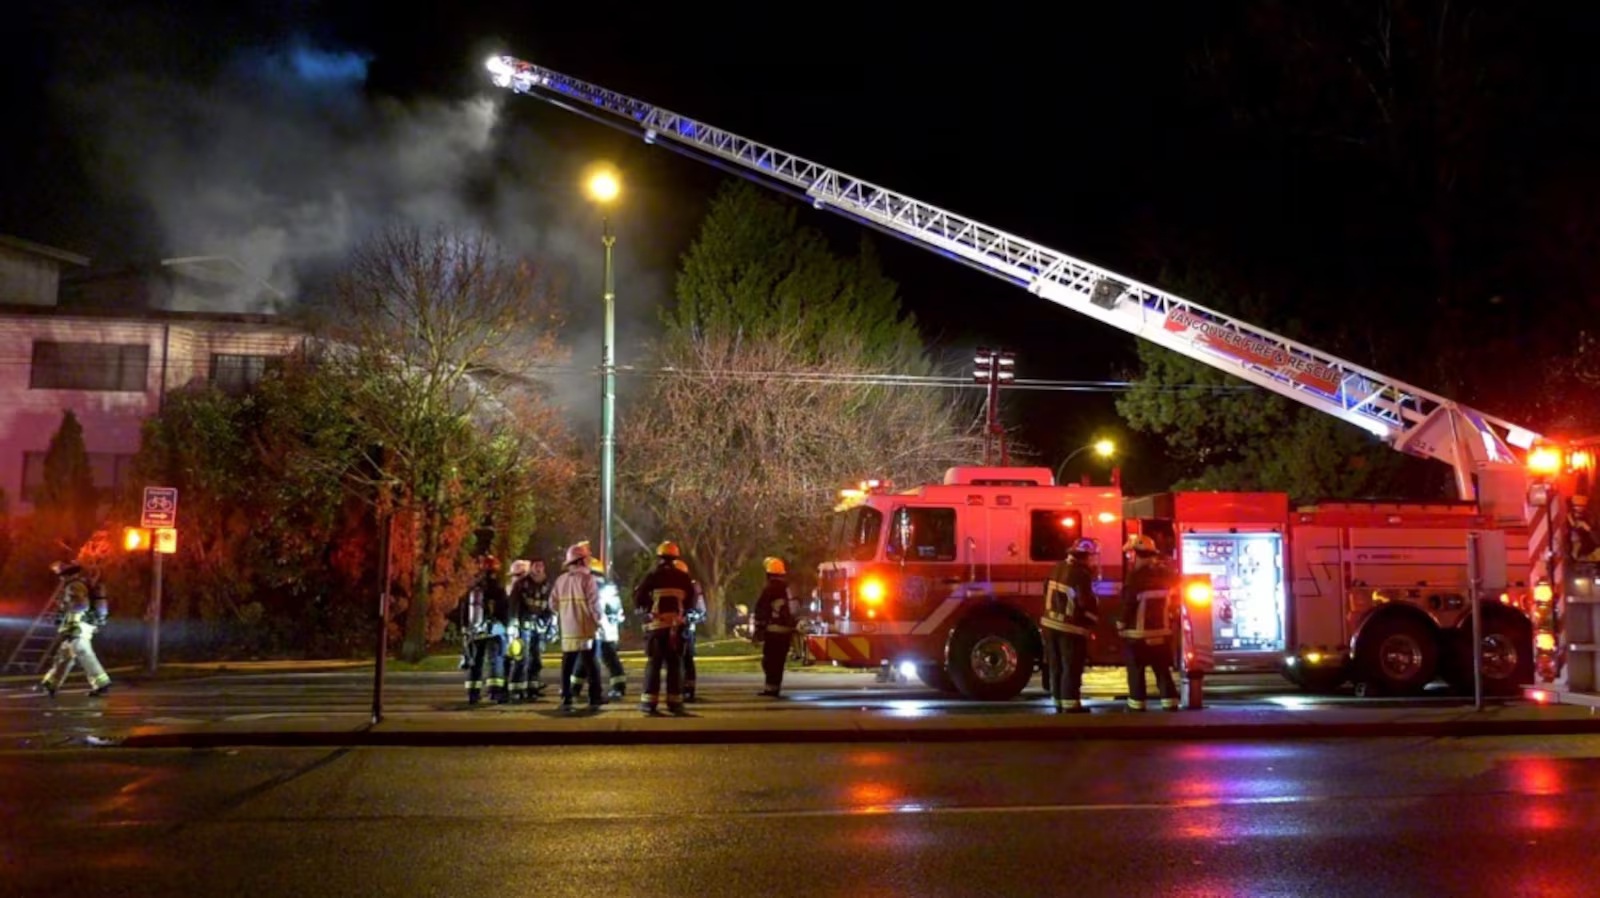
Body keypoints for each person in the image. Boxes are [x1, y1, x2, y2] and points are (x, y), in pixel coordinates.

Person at [1119, 534, 1180, 711]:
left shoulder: (1134, 577)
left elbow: (1128, 604)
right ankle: (1170, 703)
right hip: (1162, 632)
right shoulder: (1166, 574)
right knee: (1162, 670)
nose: (1129, 558)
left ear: (1135, 554)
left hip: (1137, 634)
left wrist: (1120, 624)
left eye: (1130, 554)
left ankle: (1136, 705)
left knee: (1136, 671)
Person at [632, 541, 695, 715]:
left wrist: (647, 611)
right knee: (675, 665)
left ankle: (649, 703)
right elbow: (691, 601)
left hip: (657, 627)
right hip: (676, 628)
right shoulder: (683, 577)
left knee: (654, 664)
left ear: (659, 557)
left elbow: (638, 599)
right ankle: (675, 703)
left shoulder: (652, 576)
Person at [1041, 538, 1100, 713]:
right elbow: (1084, 602)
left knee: (1056, 665)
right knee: (1071, 666)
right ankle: (1071, 705)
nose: (1091, 561)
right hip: (1070, 628)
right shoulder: (1081, 574)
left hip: (1049, 625)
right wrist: (1092, 619)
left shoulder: (1057, 567)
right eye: (1090, 557)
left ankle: (1058, 701)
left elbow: (1045, 590)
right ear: (1084, 556)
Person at [38, 560, 111, 698]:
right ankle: (50, 684)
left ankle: (102, 684)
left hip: (78, 627)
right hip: (78, 626)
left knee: (85, 654)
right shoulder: (78, 584)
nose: (60, 577)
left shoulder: (74, 586)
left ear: (67, 574)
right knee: (64, 656)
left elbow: (82, 606)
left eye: (61, 574)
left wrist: (64, 609)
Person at [551, 542, 605, 711]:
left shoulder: (560, 580)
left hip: (568, 630)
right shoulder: (588, 579)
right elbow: (594, 604)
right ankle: (595, 697)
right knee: (591, 665)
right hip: (585, 628)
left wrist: (565, 614)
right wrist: (599, 622)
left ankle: (566, 698)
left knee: (567, 665)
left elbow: (552, 604)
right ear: (581, 560)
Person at [460, 555, 511, 705]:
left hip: (475, 631)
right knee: (495, 661)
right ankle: (495, 692)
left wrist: (464, 627)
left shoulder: (474, 587)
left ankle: (473, 694)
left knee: (476, 661)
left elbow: (464, 609)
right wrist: (505, 625)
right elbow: (504, 609)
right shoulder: (498, 588)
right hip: (494, 630)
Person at [507, 558, 552, 702]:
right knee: (522, 658)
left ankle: (532, 688)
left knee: (536, 659)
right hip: (523, 626)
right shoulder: (522, 584)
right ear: (531, 568)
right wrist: (514, 624)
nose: (539, 569)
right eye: (536, 566)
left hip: (539, 627)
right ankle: (516, 689)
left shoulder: (547, 584)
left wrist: (547, 622)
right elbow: (514, 604)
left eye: (541, 566)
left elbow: (550, 605)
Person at [752, 556, 796, 697]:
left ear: (768, 574)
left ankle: (770, 689)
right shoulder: (789, 589)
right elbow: (795, 610)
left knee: (769, 661)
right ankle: (774, 688)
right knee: (779, 662)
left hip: (773, 631)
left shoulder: (769, 589)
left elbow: (761, 610)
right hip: (786, 632)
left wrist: (758, 630)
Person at [589, 556, 629, 699]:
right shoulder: (608, 588)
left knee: (589, 659)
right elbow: (617, 613)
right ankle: (619, 687)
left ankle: (574, 688)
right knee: (608, 659)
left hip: (598, 631)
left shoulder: (595, 588)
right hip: (608, 632)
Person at [674, 559, 707, 701]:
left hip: (686, 631)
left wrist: (688, 618)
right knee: (675, 661)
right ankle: (678, 689)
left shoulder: (692, 588)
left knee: (687, 660)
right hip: (671, 629)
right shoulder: (669, 587)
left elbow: (702, 612)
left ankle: (688, 690)